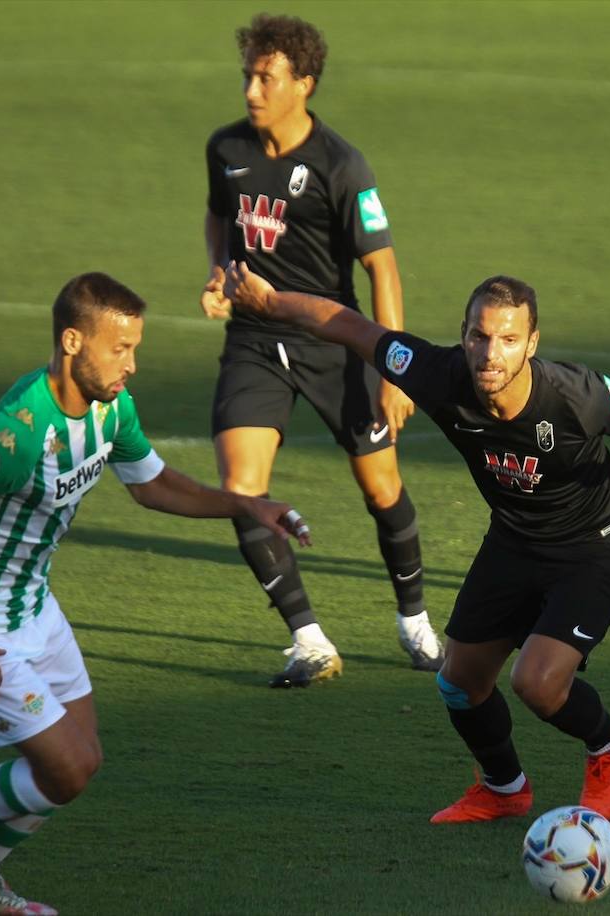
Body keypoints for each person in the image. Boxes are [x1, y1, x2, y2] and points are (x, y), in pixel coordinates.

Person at [221, 265, 610, 823]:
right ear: (463, 334)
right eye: (480, 336)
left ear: (532, 343)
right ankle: (504, 788)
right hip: (514, 541)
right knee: (458, 682)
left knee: (537, 683)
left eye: (508, 339)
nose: (490, 353)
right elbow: (351, 326)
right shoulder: (437, 373)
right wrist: (270, 302)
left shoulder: (576, 393)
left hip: (593, 548)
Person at [0, 273, 310, 915]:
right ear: (72, 342)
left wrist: (247, 505)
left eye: (134, 348)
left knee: (82, 763)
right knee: (61, 767)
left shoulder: (111, 409)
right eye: (119, 349)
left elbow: (152, 484)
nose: (131, 365)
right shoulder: (14, 436)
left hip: (35, 606)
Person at [199, 13, 439, 687]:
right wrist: (218, 274)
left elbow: (382, 268)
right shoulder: (226, 148)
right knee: (242, 491)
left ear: (303, 83)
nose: (251, 90)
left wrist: (393, 369)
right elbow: (218, 215)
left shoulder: (341, 165)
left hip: (335, 340)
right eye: (247, 75)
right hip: (254, 339)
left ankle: (415, 622)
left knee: (382, 487)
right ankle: (309, 641)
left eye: (265, 78)